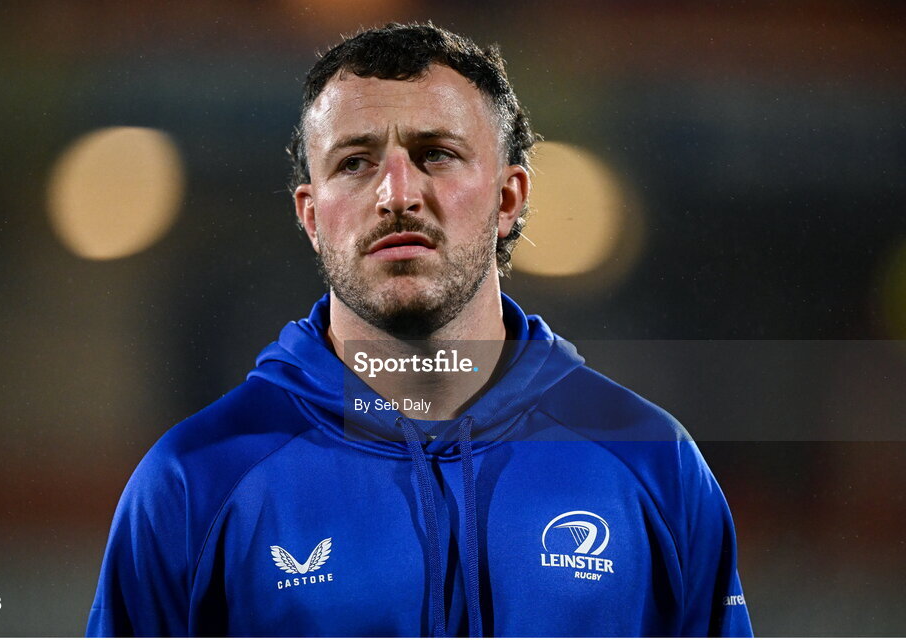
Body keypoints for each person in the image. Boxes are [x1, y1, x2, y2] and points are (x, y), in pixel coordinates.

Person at [86, 22, 752, 637]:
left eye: (435, 154)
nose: (397, 195)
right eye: (355, 162)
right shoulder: (194, 482)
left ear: (508, 199)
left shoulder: (651, 461)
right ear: (311, 216)